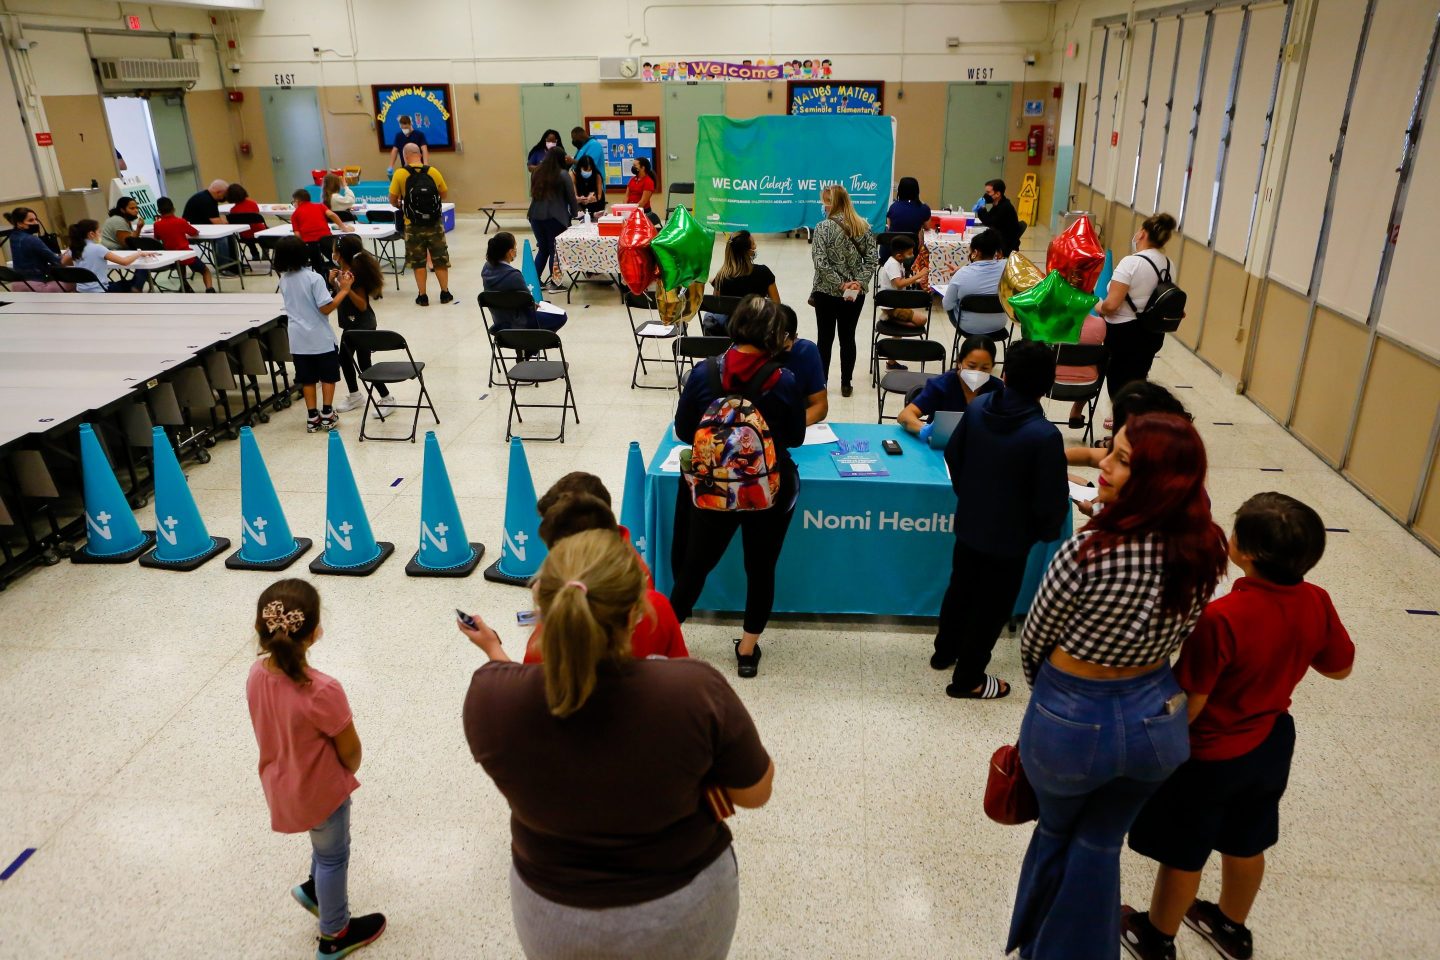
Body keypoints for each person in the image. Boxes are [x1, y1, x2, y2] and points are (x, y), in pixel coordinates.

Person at [459, 530, 775, 960]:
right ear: (636, 614)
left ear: (542, 609)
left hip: (553, 913)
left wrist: (494, 650)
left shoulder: (489, 698)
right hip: (681, 903)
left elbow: (527, 691)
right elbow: (755, 792)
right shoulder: (692, 691)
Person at [1006, 413, 1229, 960]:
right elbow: (1181, 634)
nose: (1103, 464)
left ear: (1159, 479)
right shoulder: (1204, 550)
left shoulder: (1085, 553)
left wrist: (1051, 700)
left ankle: (1046, 949)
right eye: (1111, 450)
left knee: (1056, 836)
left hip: (1071, 721)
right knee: (1101, 845)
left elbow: (1035, 640)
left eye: (1122, 460)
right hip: (1158, 721)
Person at [1121, 492, 1354, 960]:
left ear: (1243, 552)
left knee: (1185, 853)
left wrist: (1152, 751)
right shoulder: (1317, 599)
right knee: (1249, 840)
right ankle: (1230, 926)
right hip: (1271, 742)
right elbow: (1339, 667)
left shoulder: (1222, 618)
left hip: (1210, 755)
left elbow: (1193, 702)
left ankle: (1156, 937)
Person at [245, 579, 386, 958]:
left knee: (323, 850)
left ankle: (313, 889)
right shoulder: (323, 689)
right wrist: (345, 774)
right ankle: (335, 933)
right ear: (314, 632)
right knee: (333, 856)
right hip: (321, 792)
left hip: (282, 782)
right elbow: (351, 752)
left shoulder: (256, 674)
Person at [670, 296, 807, 678]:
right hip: (768, 491)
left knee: (695, 566)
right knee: (761, 567)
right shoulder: (784, 380)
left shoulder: (704, 374)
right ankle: (747, 651)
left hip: (713, 490)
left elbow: (683, 432)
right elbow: (795, 437)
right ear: (775, 335)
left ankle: (667, 640)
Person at [931, 339, 1068, 699]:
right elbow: (1050, 501)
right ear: (1048, 386)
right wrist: (1042, 531)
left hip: (970, 522)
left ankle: (944, 651)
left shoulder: (977, 410)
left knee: (960, 588)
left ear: (1004, 375)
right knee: (991, 609)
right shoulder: (1044, 436)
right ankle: (969, 679)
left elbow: (954, 456)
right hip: (1010, 540)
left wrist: (970, 498)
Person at [520, 488, 689, 663]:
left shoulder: (549, 637)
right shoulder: (657, 607)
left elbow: (529, 680)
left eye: (560, 555)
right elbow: (684, 675)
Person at [1094, 213, 1179, 401]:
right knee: (1138, 380)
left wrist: (1095, 302)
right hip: (1152, 334)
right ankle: (1134, 421)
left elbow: (1111, 306)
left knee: (1118, 386)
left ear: (1142, 234)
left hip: (1123, 334)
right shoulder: (1169, 265)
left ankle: (1121, 424)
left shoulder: (1130, 263)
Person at [809, 184, 878, 397]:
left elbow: (820, 262)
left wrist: (839, 283)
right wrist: (858, 282)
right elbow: (872, 258)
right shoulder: (863, 226)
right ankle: (846, 383)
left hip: (826, 293)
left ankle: (822, 383)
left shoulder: (822, 227)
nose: (823, 206)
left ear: (832, 203)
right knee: (848, 337)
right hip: (854, 295)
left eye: (825, 201)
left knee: (825, 338)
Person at [274, 235, 348, 433]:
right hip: (319, 336)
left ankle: (312, 416)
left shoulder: (284, 280)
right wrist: (344, 290)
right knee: (327, 376)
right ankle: (327, 413)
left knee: (307, 378)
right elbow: (325, 308)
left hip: (298, 338)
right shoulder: (314, 278)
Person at [330, 234, 393, 414]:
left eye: (334, 250)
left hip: (362, 324)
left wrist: (346, 289)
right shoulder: (344, 272)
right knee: (345, 359)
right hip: (351, 323)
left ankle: (387, 398)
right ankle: (355, 395)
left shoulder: (353, 273)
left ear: (340, 254)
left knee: (364, 363)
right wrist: (333, 283)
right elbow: (342, 293)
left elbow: (362, 305)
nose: (332, 253)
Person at [387, 142, 452, 306]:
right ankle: (445, 293)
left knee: (418, 261)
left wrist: (400, 204)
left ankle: (422, 296)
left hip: (412, 224)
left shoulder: (400, 174)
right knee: (439, 258)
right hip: (434, 223)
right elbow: (444, 194)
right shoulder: (433, 171)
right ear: (420, 155)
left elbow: (392, 199)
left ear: (405, 156)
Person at [897, 335, 1000, 435]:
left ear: (993, 366)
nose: (977, 372)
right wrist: (926, 430)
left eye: (985, 368)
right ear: (959, 362)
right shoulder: (941, 385)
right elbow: (904, 416)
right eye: (971, 366)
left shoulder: (997, 389)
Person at [482, 231, 567, 332]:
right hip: (520, 321)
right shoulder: (513, 275)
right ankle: (533, 341)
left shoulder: (486, 269)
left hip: (499, 321)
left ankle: (531, 341)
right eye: (515, 247)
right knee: (561, 316)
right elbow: (528, 302)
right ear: (510, 252)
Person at [702, 231, 780, 334]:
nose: (755, 246)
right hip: (757, 330)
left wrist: (716, 283)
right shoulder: (764, 272)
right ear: (747, 251)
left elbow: (717, 307)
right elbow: (777, 304)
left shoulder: (721, 277)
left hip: (730, 332)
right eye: (753, 243)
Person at [941, 228, 1008, 338]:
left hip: (968, 328)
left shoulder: (962, 274)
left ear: (975, 252)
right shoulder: (1007, 267)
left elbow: (947, 305)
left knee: (951, 304)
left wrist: (960, 272)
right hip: (998, 325)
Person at [527, 146, 577, 293]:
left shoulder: (536, 172)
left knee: (543, 249)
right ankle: (555, 283)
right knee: (554, 250)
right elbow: (571, 197)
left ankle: (534, 281)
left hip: (535, 215)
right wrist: (575, 213)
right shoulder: (562, 175)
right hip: (555, 217)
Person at [65, 219, 150, 293]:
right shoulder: (98, 248)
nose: (100, 233)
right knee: (126, 284)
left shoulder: (73, 249)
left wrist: (82, 263)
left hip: (82, 291)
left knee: (119, 283)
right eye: (99, 231)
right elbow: (125, 262)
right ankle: (136, 290)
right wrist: (139, 253)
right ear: (91, 234)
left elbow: (63, 262)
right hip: (100, 291)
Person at [1056, 310, 1109, 428]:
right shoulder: (1100, 324)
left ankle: (1036, 413)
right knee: (1090, 367)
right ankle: (1076, 412)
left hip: (1050, 386)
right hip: (1087, 387)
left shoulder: (1051, 321)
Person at [153, 197, 216, 293]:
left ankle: (184, 285)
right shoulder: (180, 221)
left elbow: (157, 238)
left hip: (171, 257)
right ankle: (209, 289)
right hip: (186, 254)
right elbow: (194, 233)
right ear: (173, 208)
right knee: (205, 271)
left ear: (159, 211)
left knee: (180, 266)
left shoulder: (157, 225)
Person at [779, 304, 828, 426]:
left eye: (784, 349)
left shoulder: (806, 351)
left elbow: (820, 406)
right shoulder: (746, 354)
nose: (776, 356)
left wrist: (789, 427)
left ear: (794, 338)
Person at [4, 207, 71, 290]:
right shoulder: (32, 239)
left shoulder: (13, 236)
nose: (36, 223)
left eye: (36, 219)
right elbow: (57, 261)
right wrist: (69, 253)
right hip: (36, 284)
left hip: (17, 284)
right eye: (31, 220)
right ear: (20, 223)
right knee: (77, 283)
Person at [183, 179, 240, 275]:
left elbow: (215, 220)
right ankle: (223, 267)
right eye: (225, 194)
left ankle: (232, 264)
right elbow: (217, 222)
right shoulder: (207, 201)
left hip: (201, 230)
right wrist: (226, 223)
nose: (225, 197)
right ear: (219, 192)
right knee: (222, 238)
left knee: (228, 234)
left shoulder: (206, 197)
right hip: (193, 234)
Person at [291, 187, 355, 273]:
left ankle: (323, 277)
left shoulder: (295, 214)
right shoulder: (320, 206)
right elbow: (332, 215)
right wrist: (343, 227)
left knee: (317, 264)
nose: (293, 204)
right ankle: (343, 271)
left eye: (293, 202)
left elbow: (297, 235)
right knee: (336, 259)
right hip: (327, 239)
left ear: (298, 201)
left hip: (310, 244)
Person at [877, 234, 927, 327]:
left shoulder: (898, 262)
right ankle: (889, 318)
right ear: (899, 256)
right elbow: (899, 284)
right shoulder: (893, 264)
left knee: (916, 317)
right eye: (909, 254)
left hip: (897, 301)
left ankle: (892, 321)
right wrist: (918, 275)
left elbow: (901, 279)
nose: (912, 256)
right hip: (891, 305)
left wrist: (916, 281)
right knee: (922, 320)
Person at [974, 178, 1022, 254]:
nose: (986, 195)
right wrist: (981, 210)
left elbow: (988, 222)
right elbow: (988, 218)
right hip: (999, 239)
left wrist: (982, 208)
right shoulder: (998, 205)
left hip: (1005, 245)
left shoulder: (1005, 207)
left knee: (978, 245)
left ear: (997, 194)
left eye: (988, 192)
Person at [224, 183, 265, 260]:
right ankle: (265, 251)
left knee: (246, 233)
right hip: (259, 232)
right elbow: (256, 216)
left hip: (245, 236)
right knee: (266, 229)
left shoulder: (233, 210)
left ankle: (254, 253)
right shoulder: (253, 204)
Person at [572, 154, 607, 219]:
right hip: (581, 203)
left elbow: (599, 195)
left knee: (597, 218)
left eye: (589, 170)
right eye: (585, 169)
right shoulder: (574, 174)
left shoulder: (597, 175)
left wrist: (593, 199)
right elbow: (574, 195)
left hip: (595, 203)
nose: (587, 172)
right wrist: (579, 199)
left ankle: (595, 215)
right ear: (580, 167)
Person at [626, 157, 659, 223]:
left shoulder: (648, 181)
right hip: (631, 210)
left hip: (643, 212)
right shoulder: (632, 180)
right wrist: (625, 209)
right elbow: (626, 196)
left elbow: (643, 201)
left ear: (643, 168)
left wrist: (632, 211)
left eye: (635, 165)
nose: (633, 167)